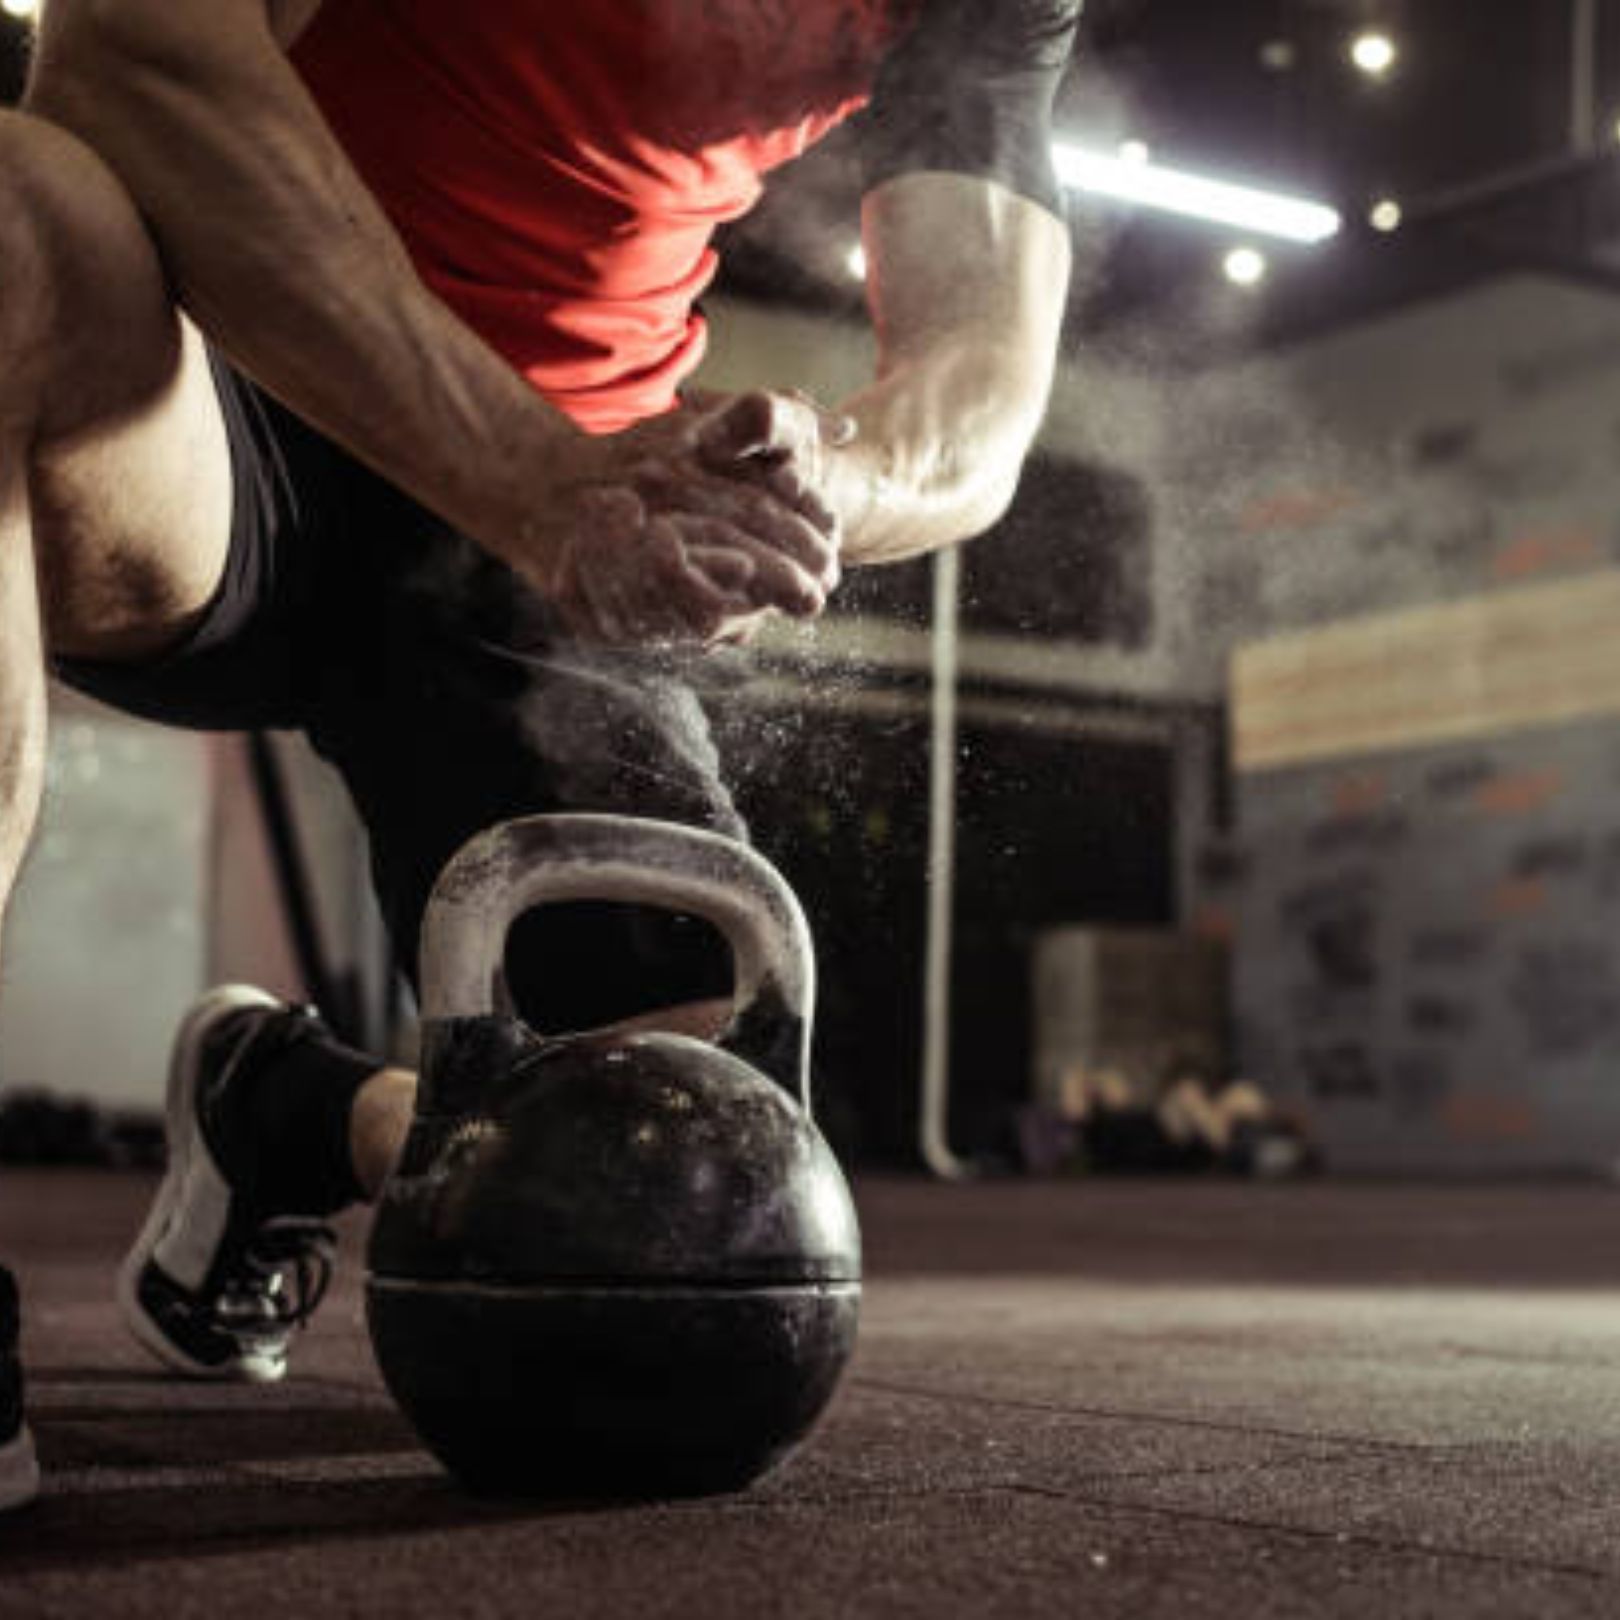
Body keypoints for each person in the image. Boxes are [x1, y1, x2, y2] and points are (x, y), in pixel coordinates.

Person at [0, 0, 1079, 1510]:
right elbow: (130, 53)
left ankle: (291, 1109)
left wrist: (822, 473)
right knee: (13, 210)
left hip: (558, 537)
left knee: (663, 1212)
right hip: (209, 399)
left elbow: (980, 398)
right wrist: (527, 478)